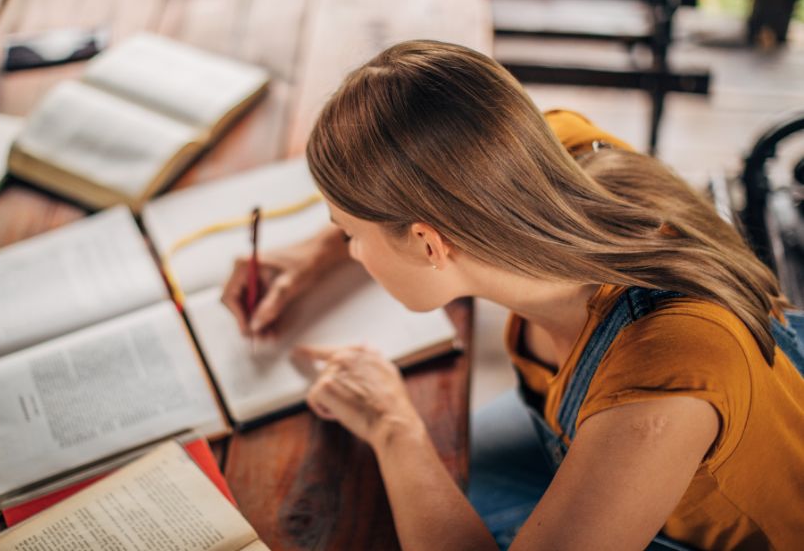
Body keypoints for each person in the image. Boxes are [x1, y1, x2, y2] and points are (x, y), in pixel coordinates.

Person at [220, 40, 804, 550]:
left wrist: (393, 426)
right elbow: (438, 169)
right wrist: (310, 255)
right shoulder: (556, 154)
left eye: (348, 234)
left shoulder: (661, 379)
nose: (347, 250)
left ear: (429, 243)